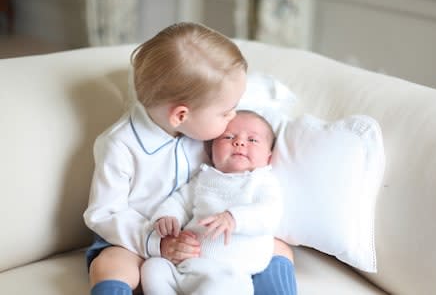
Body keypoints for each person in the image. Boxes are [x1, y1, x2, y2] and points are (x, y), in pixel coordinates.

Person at [83, 22, 297, 295]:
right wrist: (156, 244)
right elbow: (103, 213)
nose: (233, 118)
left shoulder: (204, 119)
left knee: (278, 249)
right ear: (181, 115)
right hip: (136, 240)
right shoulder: (120, 145)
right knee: (112, 264)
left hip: (204, 241)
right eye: (226, 113)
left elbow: (248, 98)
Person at [141, 111, 282, 295]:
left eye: (253, 140)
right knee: (153, 267)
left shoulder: (263, 181)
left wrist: (234, 218)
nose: (239, 142)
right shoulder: (204, 177)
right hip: (185, 267)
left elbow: (269, 213)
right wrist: (167, 216)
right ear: (211, 150)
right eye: (228, 137)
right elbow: (180, 201)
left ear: (268, 158)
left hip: (229, 275)